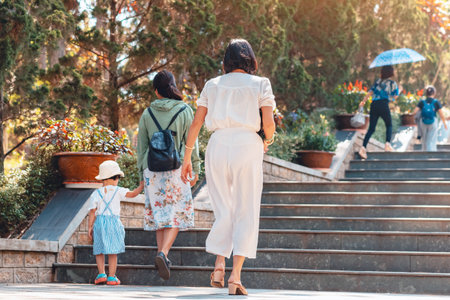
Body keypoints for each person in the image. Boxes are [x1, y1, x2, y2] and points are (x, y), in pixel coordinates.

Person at [180, 39, 276, 296]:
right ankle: (235, 276)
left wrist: (187, 158)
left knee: (224, 207)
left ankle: (219, 265)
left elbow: (197, 123)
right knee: (246, 208)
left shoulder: (213, 85)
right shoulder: (260, 84)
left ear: (226, 61)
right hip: (248, 144)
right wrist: (267, 140)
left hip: (218, 144)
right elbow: (268, 123)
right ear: (251, 60)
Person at [137, 70, 200, 281]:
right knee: (176, 212)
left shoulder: (147, 113)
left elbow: (142, 147)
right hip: (177, 167)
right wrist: (196, 167)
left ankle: (160, 254)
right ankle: (163, 254)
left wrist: (140, 174)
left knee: (159, 214)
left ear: (156, 91)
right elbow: (193, 141)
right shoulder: (184, 110)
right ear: (172, 87)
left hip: (151, 169)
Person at [88, 160, 144, 285]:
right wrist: (141, 186)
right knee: (113, 251)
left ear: (103, 179)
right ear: (115, 178)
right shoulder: (118, 190)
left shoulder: (96, 193)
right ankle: (112, 277)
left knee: (99, 250)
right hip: (113, 222)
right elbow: (133, 194)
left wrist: (90, 227)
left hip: (99, 223)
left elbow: (92, 211)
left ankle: (101, 274)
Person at [358, 65, 401, 159]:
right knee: (389, 124)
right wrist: (399, 90)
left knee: (371, 128)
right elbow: (395, 96)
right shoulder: (392, 83)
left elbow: (370, 92)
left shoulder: (378, 81)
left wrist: (363, 102)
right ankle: (387, 144)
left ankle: (363, 147)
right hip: (383, 105)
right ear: (391, 73)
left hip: (374, 105)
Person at [412, 85, 448, 151]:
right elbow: (441, 114)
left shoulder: (422, 102)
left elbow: (414, 112)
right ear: (434, 93)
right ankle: (431, 153)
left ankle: (424, 153)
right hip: (433, 121)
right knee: (431, 139)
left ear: (426, 93)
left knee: (424, 139)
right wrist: (445, 124)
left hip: (423, 121)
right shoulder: (436, 102)